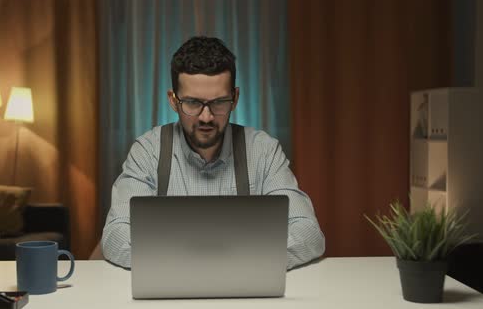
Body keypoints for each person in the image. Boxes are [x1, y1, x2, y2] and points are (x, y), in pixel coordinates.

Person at [101, 36, 325, 270]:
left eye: (218, 102)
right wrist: (236, 258)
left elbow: (308, 233)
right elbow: (116, 235)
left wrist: (199, 261)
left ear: (235, 98)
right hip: (172, 297)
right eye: (192, 103)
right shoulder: (148, 151)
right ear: (173, 101)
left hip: (245, 294)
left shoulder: (263, 150)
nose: (206, 117)